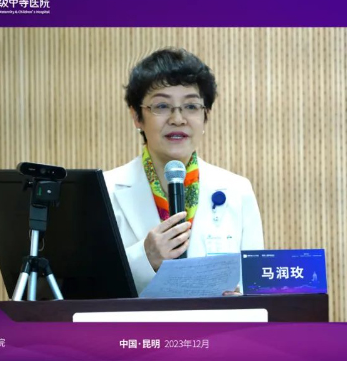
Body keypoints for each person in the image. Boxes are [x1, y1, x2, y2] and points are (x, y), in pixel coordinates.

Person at [104, 48, 264, 295]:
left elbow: (256, 288)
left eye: (191, 106)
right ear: (137, 116)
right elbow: (86, 289)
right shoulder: (104, 189)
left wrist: (240, 300)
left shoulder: (237, 190)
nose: (178, 119)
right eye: (162, 106)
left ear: (205, 115)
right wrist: (144, 258)